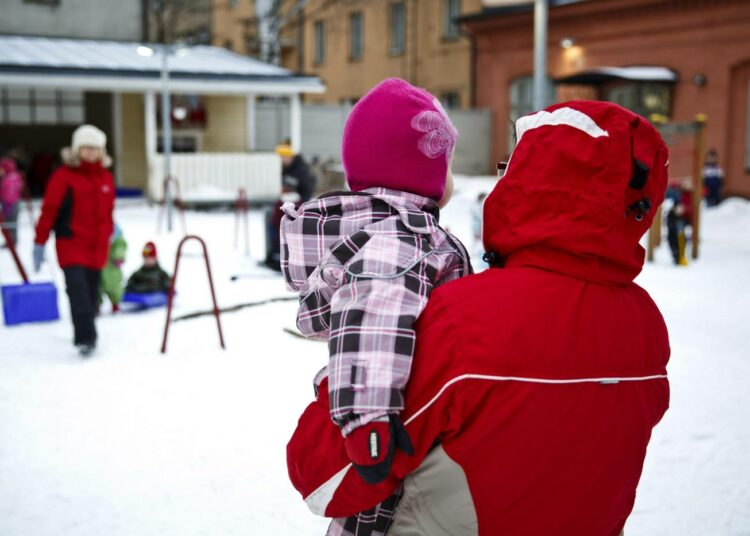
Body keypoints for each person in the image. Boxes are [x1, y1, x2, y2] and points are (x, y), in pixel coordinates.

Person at [287, 101, 671, 535]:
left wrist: (333, 380)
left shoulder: (464, 321)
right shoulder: (647, 329)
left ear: (530, 180)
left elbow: (323, 479)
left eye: (511, 164)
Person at [280, 78, 472, 535]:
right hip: (389, 435)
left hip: (400, 421)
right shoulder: (401, 240)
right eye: (445, 164)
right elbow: (373, 320)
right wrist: (368, 419)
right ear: (422, 172)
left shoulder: (393, 234)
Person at [34, 125, 115, 357]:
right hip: (71, 245)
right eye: (86, 148)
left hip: (97, 247)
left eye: (95, 148)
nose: (91, 153)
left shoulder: (106, 178)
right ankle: (86, 339)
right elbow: (50, 210)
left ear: (101, 151)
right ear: (77, 150)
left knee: (90, 295)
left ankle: (87, 330)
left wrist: (110, 233)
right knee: (78, 292)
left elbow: (108, 212)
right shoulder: (64, 177)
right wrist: (39, 242)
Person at [263, 143, 318, 271]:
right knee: (274, 223)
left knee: (282, 227)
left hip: (296, 206)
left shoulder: (301, 170)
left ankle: (282, 254)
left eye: (285, 157)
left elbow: (306, 192)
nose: (283, 160)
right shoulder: (287, 169)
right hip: (284, 204)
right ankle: (276, 252)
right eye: (281, 157)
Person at [100, 224, 127, 312]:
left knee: (114, 287)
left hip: (112, 267)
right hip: (98, 266)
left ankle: (115, 303)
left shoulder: (116, 233)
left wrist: (119, 256)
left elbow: (120, 246)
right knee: (96, 288)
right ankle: (96, 306)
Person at [0, 157, 24, 246]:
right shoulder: (9, 177)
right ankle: (10, 241)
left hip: (10, 204)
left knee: (10, 223)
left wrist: (7, 204)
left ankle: (11, 241)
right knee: (8, 224)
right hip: (9, 204)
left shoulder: (11, 178)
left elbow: (10, 193)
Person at [667, 201, 689, 266]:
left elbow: (686, 222)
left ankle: (681, 257)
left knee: (682, 246)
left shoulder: (682, 216)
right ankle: (676, 258)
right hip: (672, 236)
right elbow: (669, 225)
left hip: (681, 235)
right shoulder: (671, 215)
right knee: (674, 248)